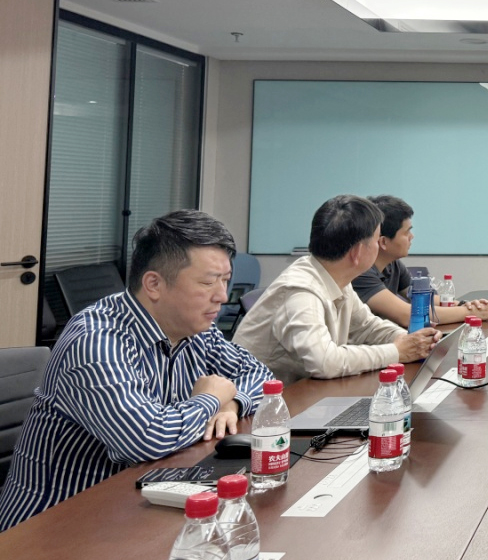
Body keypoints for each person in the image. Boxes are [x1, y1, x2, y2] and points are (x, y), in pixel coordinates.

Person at [0, 210, 272, 531]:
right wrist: (210, 399)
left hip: (133, 507)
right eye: (208, 282)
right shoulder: (96, 341)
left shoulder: (196, 328)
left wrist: (233, 402)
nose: (222, 296)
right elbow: (146, 438)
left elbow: (262, 378)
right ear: (154, 284)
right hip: (53, 526)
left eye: (225, 280)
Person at [233, 195, 440, 384]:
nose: (378, 247)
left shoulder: (337, 277)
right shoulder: (301, 292)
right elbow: (324, 362)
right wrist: (397, 351)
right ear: (358, 252)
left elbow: (367, 327)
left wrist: (412, 341)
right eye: (376, 240)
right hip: (261, 406)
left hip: (302, 392)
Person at [352, 195, 488, 327]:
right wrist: (470, 313)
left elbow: (426, 300)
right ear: (383, 242)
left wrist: (466, 305)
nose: (412, 237)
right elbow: (407, 315)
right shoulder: (360, 273)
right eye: (406, 232)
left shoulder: (392, 264)